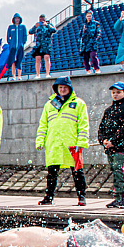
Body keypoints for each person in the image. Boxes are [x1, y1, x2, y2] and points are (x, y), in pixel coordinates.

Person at [36, 76, 89, 206]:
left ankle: (82, 196)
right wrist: (40, 140)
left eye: (65, 87)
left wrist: (81, 142)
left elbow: (83, 124)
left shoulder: (79, 103)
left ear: (70, 88)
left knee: (77, 171)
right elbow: (43, 124)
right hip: (54, 143)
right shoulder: (49, 105)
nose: (63, 90)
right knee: (52, 172)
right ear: (56, 89)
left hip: (71, 144)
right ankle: (49, 197)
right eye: (60, 88)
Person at [98, 81, 124, 209]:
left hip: (123, 145)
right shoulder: (109, 110)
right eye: (114, 92)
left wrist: (113, 141)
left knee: (119, 167)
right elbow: (102, 128)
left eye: (118, 92)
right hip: (111, 146)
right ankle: (118, 197)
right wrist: (104, 140)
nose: (115, 95)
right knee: (115, 169)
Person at [29, 14, 57, 79]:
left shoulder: (48, 25)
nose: (41, 20)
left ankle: (47, 74)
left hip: (46, 44)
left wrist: (46, 25)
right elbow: (30, 32)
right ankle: (37, 75)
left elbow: (54, 30)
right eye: (40, 19)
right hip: (38, 45)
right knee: (38, 59)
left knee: (46, 57)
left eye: (42, 19)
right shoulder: (37, 26)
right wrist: (34, 26)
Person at [6, 13, 27, 80]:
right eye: (16, 18)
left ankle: (19, 76)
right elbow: (8, 37)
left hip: (20, 47)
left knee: (19, 60)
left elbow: (25, 36)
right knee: (13, 61)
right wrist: (11, 43)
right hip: (13, 47)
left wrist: (22, 43)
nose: (17, 20)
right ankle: (14, 76)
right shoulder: (10, 27)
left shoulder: (23, 27)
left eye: (18, 18)